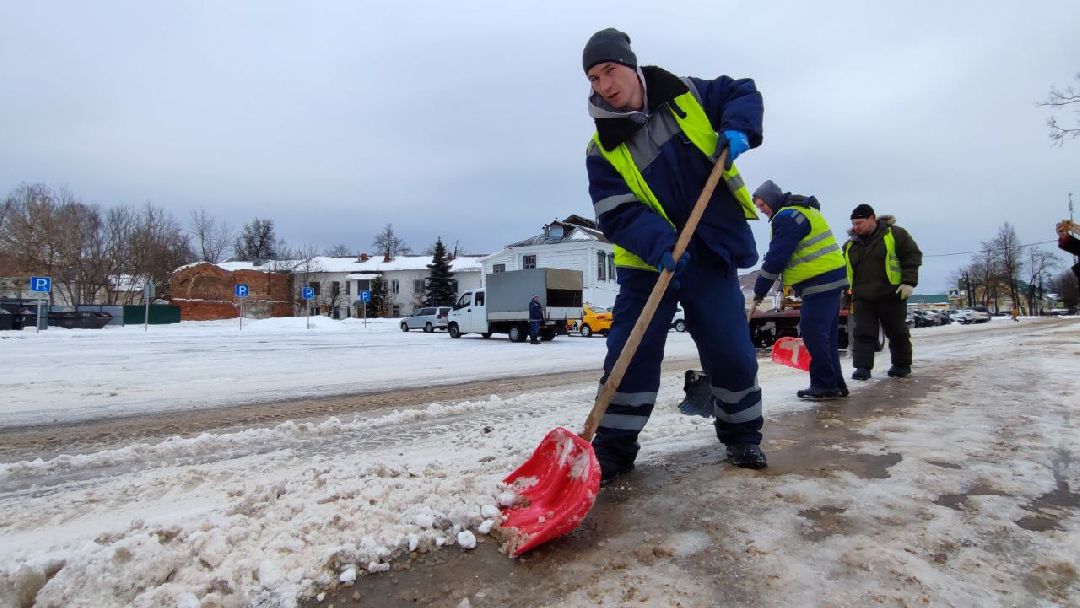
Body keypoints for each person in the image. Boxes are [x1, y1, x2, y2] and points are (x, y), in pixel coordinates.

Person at [582, 28, 766, 481]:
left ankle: (743, 436)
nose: (604, 84)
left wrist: (740, 125)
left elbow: (741, 90)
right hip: (648, 263)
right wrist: (661, 244)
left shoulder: (687, 95)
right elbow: (617, 213)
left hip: (711, 248)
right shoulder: (602, 148)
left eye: (610, 70)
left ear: (631, 65)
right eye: (593, 77)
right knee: (630, 355)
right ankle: (613, 451)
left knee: (731, 351)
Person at [750, 180, 849, 399]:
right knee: (827, 337)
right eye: (758, 207)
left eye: (763, 203)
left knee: (814, 334)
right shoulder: (800, 211)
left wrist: (759, 290)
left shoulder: (786, 218)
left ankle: (825, 385)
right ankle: (835, 384)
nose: (762, 208)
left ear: (773, 198)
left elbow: (776, 259)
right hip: (828, 280)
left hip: (819, 282)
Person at [843, 204, 922, 380]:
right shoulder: (850, 245)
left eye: (859, 223)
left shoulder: (895, 234)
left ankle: (901, 365)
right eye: (854, 224)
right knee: (863, 333)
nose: (855, 227)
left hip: (891, 294)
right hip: (863, 296)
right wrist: (847, 294)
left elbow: (912, 256)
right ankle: (862, 368)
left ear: (872, 218)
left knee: (896, 331)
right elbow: (845, 271)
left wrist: (908, 282)